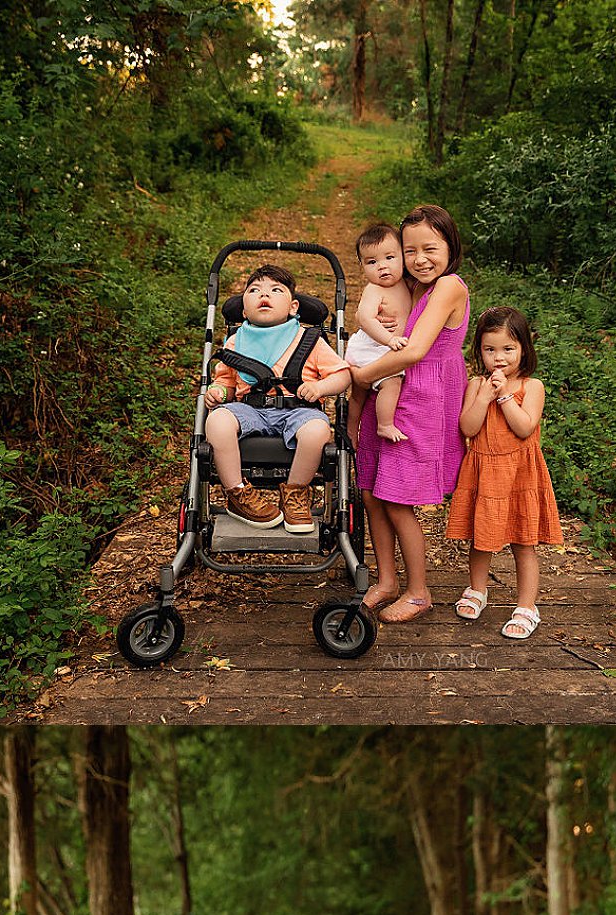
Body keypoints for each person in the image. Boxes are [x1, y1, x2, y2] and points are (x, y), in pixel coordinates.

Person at [350, 204, 472, 626]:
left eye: (430, 248)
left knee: (398, 498)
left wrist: (361, 377)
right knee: (370, 489)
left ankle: (419, 592)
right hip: (393, 391)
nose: (419, 258)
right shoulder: (411, 285)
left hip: (425, 397)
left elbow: (417, 350)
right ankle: (386, 580)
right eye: (410, 250)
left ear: (450, 247)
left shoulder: (449, 287)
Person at [202, 263, 352, 535]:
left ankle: (295, 492)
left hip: (299, 411)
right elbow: (226, 382)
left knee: (318, 429)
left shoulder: (309, 340)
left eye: (275, 290)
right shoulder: (236, 342)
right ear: (245, 310)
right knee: (217, 420)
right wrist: (219, 393)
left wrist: (319, 388)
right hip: (250, 410)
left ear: (294, 307)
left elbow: (343, 375)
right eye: (255, 290)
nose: (264, 295)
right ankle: (237, 494)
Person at [447, 306, 562, 641]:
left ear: (524, 348)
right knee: (481, 538)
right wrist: (484, 396)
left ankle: (527, 606)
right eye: (489, 349)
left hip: (519, 475)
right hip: (483, 472)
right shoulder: (476, 385)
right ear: (479, 350)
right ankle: (477, 589)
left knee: (523, 542)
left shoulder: (532, 386)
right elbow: (467, 427)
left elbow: (525, 428)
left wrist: (505, 397)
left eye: (508, 349)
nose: (499, 357)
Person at [344, 222, 414, 446]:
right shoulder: (374, 289)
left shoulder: (406, 283)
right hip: (371, 347)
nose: (382, 267)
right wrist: (389, 339)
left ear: (402, 257)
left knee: (357, 396)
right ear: (362, 265)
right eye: (372, 262)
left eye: (390, 258)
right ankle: (382, 425)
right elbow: (365, 319)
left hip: (384, 345)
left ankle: (351, 429)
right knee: (391, 382)